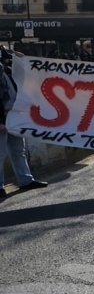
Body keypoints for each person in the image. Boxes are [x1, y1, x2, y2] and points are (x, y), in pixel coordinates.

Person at [0, 49, 48, 198]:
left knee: (18, 150)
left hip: (14, 116)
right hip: (3, 119)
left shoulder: (7, 71)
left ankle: (25, 180)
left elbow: (25, 64)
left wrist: (14, 53)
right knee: (0, 154)